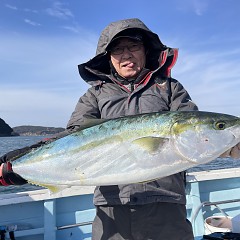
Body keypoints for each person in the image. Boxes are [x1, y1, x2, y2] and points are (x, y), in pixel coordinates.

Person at [1, 18, 240, 240]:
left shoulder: (169, 88)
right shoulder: (94, 95)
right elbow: (71, 138)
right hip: (112, 208)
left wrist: (229, 146)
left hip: (165, 205)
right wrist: (18, 163)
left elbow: (196, 137)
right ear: (109, 57)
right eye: (118, 49)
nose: (127, 55)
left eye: (133, 46)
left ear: (146, 51)